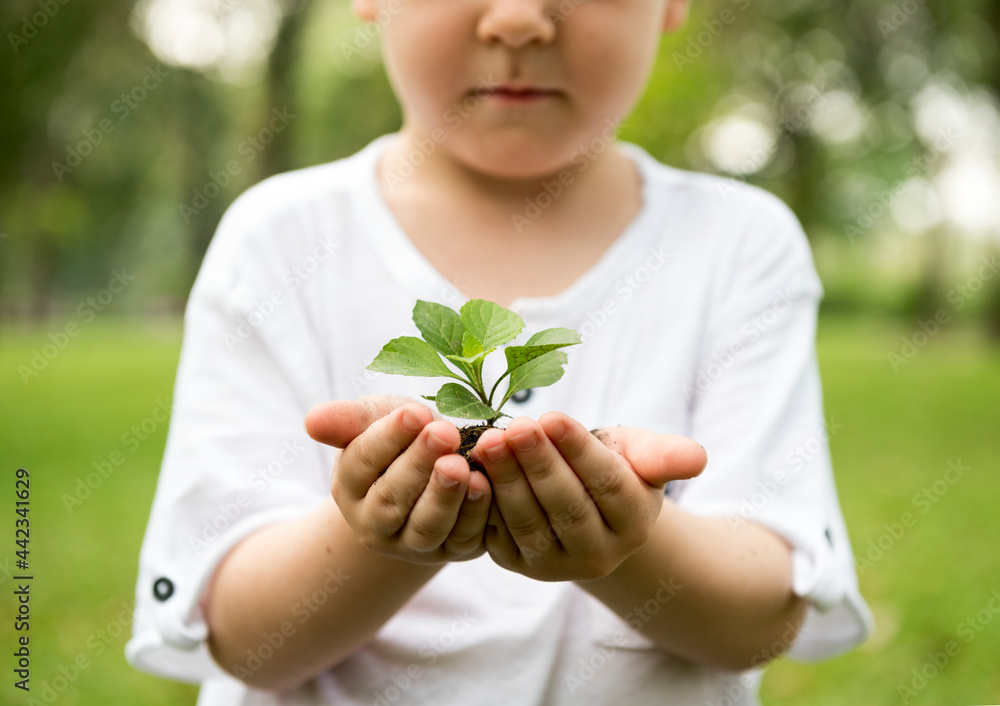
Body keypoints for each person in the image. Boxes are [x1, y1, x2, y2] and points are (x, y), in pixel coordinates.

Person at [125, 0, 873, 703]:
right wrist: (375, 536)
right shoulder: (278, 242)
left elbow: (762, 617)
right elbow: (246, 637)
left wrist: (630, 542)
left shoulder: (739, 245)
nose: (518, 20)